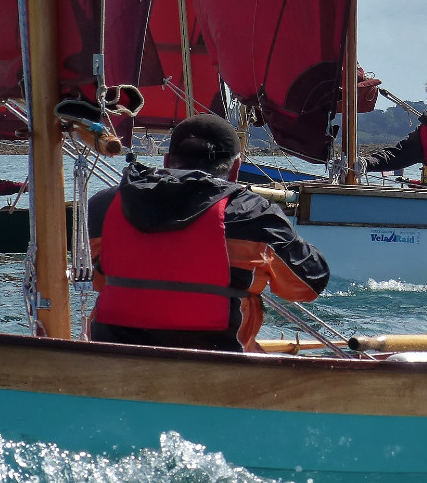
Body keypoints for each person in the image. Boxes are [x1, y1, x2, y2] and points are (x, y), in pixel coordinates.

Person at [87, 114, 329, 352]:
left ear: (167, 160)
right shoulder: (254, 215)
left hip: (113, 361)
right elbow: (309, 284)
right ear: (235, 169)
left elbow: (90, 277)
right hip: (216, 368)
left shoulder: (103, 207)